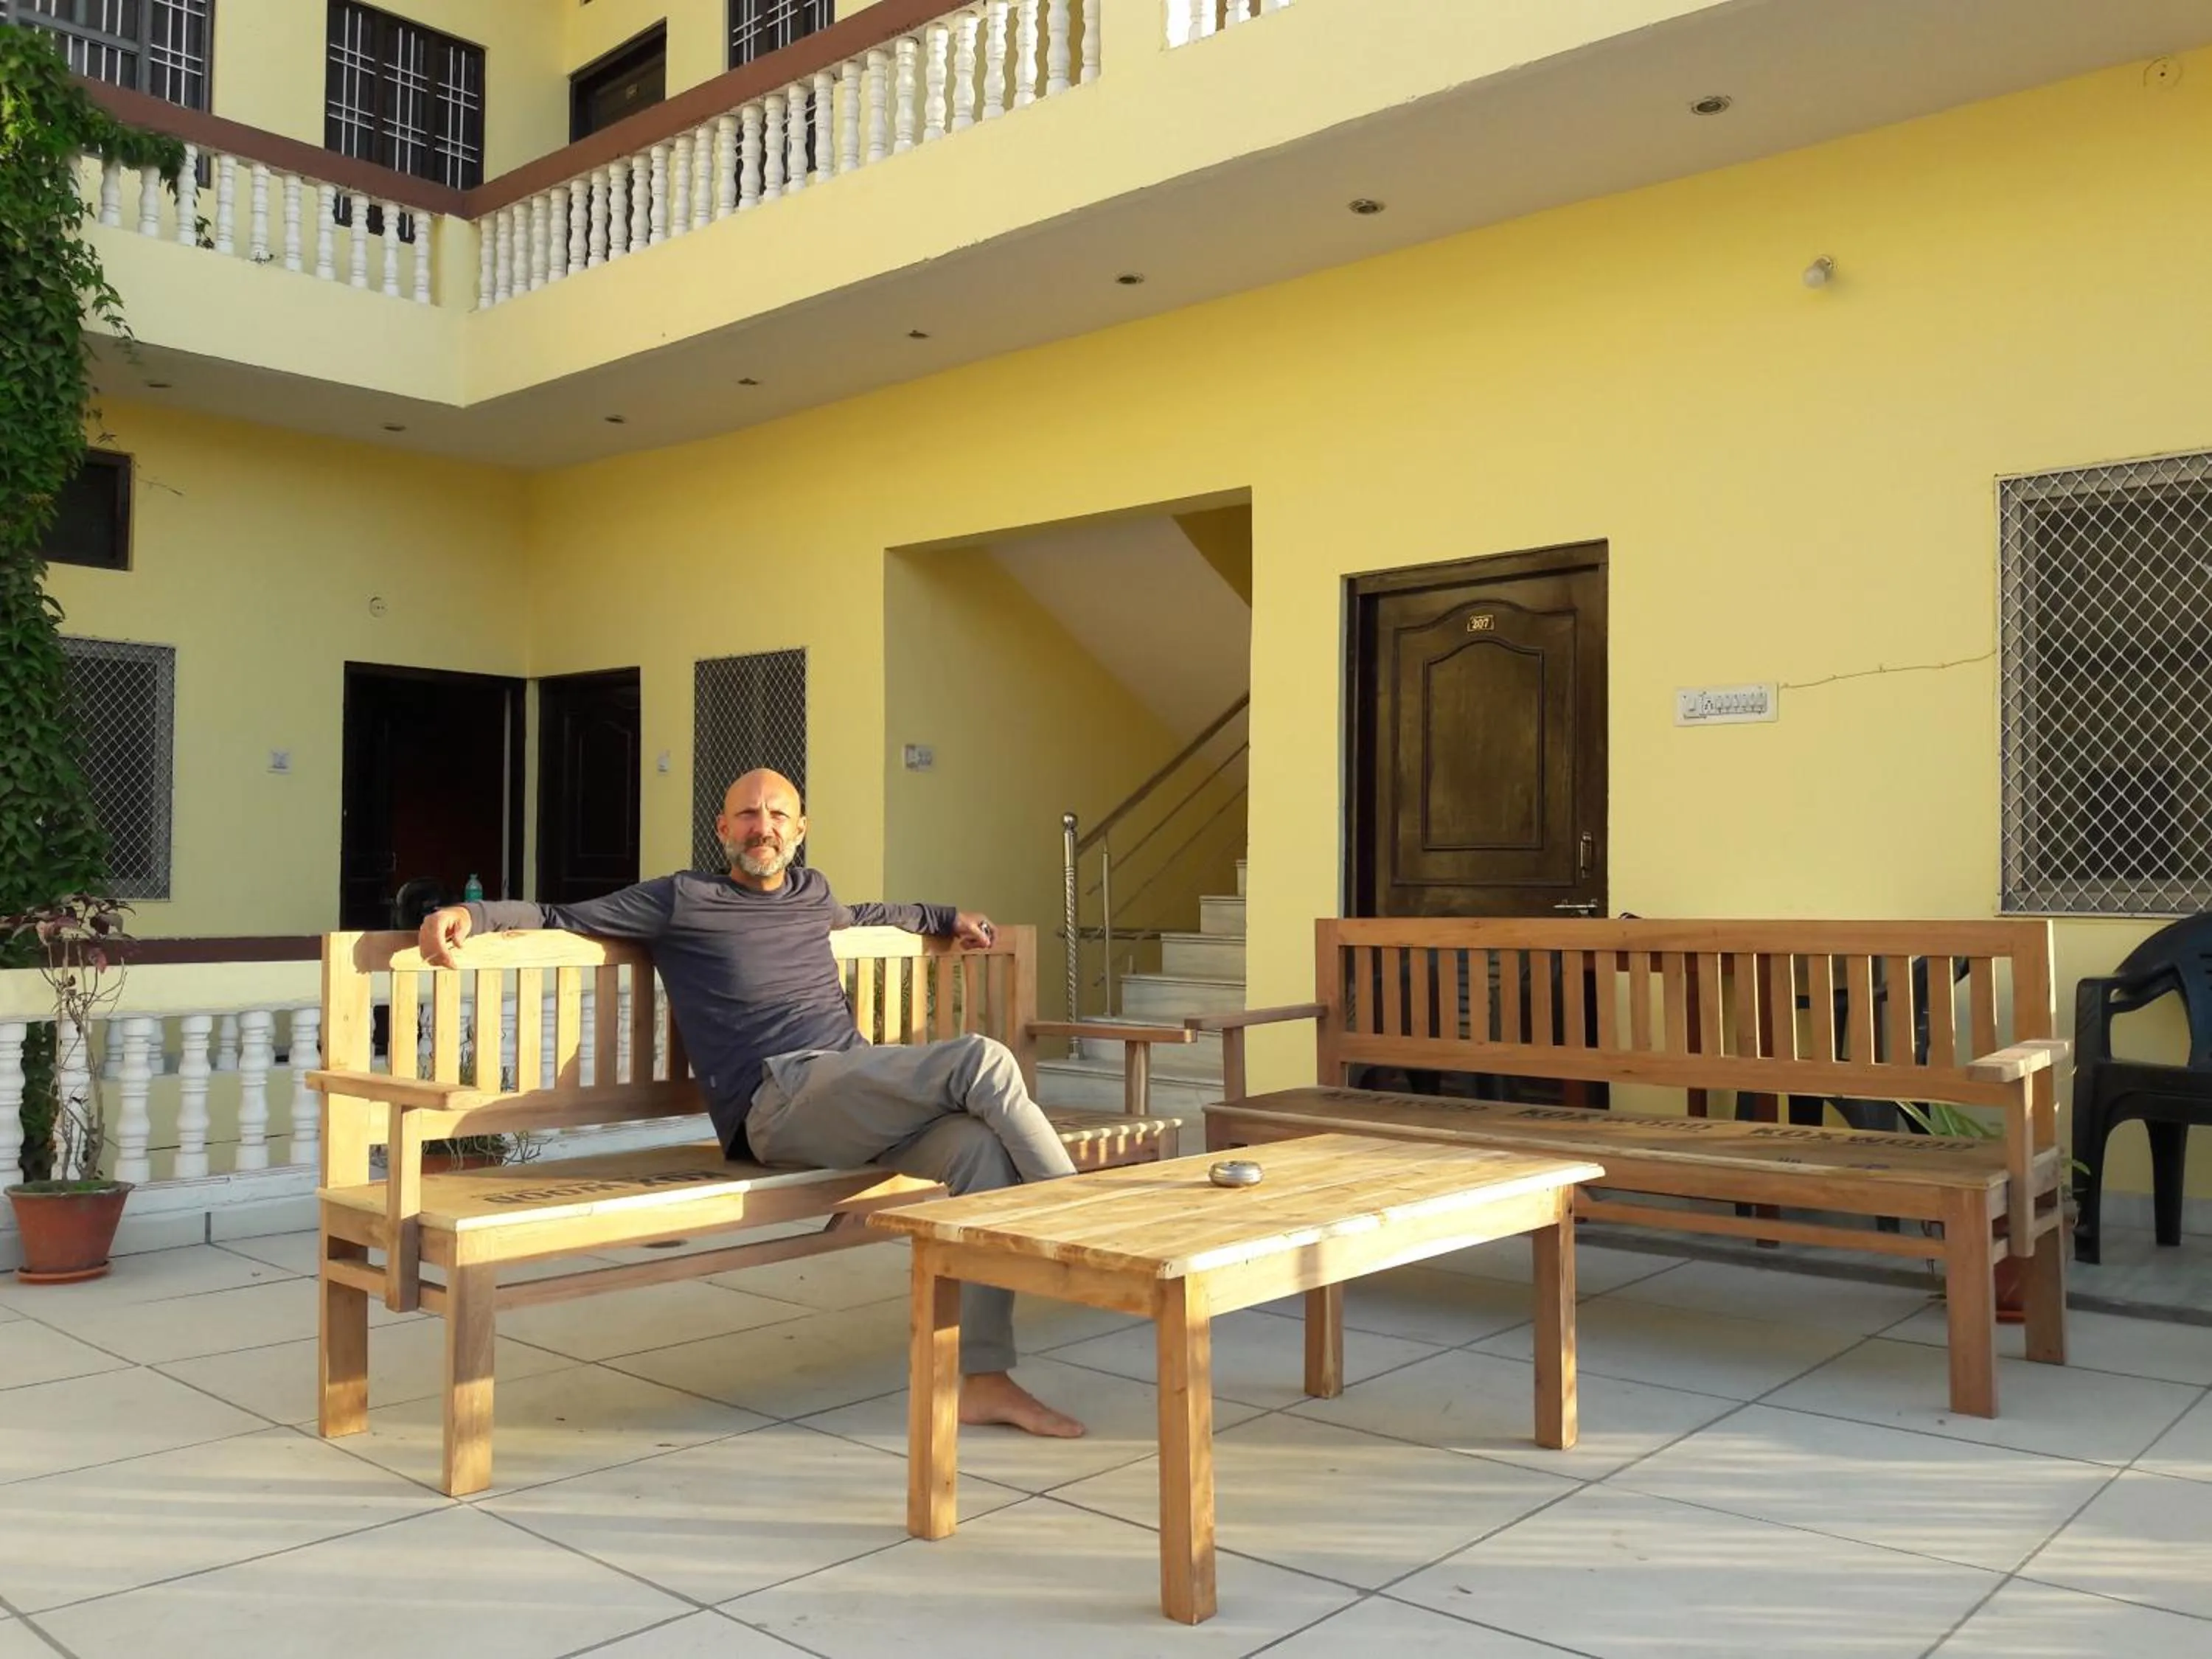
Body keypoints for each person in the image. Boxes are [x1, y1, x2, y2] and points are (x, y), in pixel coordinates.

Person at [417, 768, 1085, 1438]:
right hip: (776, 1104)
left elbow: (877, 915)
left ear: (800, 829)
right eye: (746, 815)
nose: (761, 827)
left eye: (775, 815)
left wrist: (947, 918)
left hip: (847, 1093)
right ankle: (1085, 1230)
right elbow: (561, 914)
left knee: (980, 1153)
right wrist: (468, 914)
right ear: (723, 828)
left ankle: (984, 1379)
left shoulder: (811, 891)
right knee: (981, 1058)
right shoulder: (683, 899)